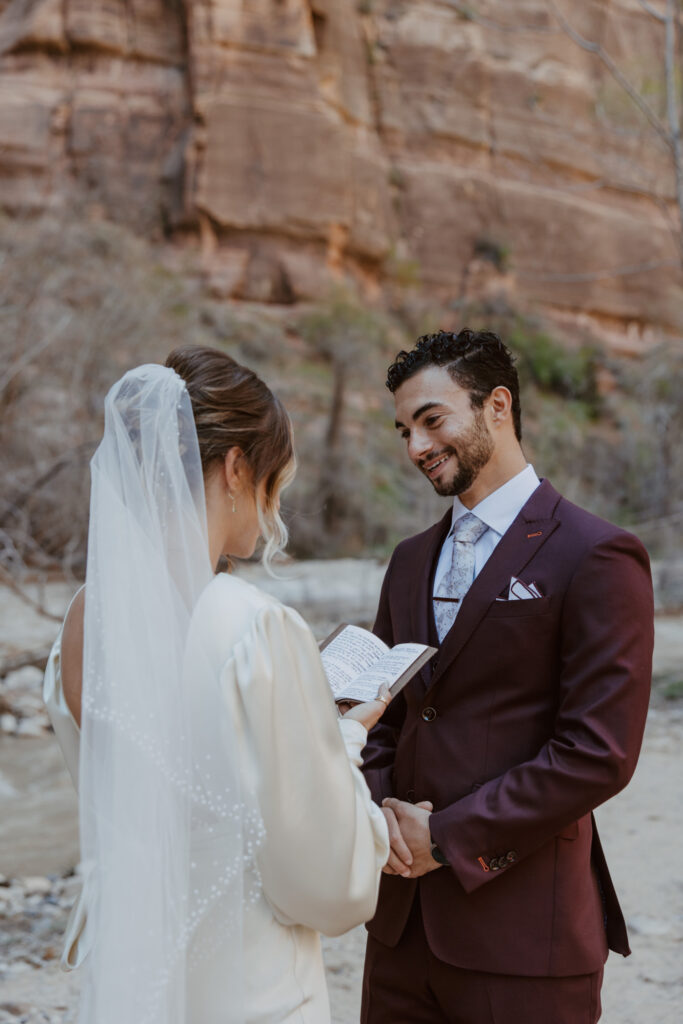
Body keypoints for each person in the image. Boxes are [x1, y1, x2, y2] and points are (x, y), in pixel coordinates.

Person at [43, 345, 390, 1024]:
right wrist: (344, 735)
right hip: (249, 994)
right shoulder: (250, 625)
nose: (272, 507)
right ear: (235, 468)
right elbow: (329, 886)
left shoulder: (84, 619)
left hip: (128, 986)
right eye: (272, 482)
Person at [360, 329, 654, 1024]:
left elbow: (596, 753)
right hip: (401, 930)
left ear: (497, 405)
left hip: (524, 932)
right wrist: (382, 823)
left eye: (432, 420)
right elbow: (379, 712)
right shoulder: (407, 561)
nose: (416, 447)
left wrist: (444, 838)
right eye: (403, 430)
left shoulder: (596, 554)